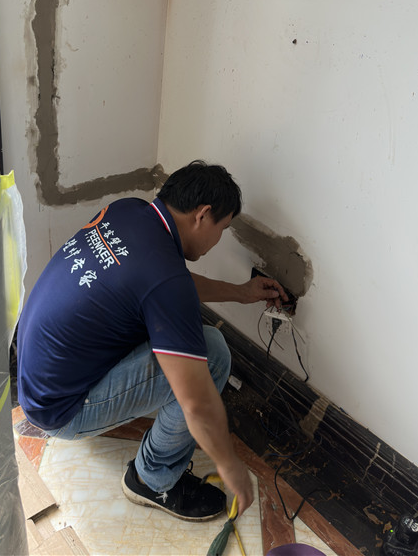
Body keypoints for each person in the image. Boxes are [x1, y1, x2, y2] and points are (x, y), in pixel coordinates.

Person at [17, 160, 286, 521]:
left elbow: (167, 284)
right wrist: (229, 464)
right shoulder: (164, 277)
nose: (218, 239)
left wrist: (241, 293)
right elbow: (196, 402)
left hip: (35, 376)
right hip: (60, 410)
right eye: (222, 228)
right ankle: (151, 479)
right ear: (202, 215)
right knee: (212, 356)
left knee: (161, 324)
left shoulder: (129, 211)